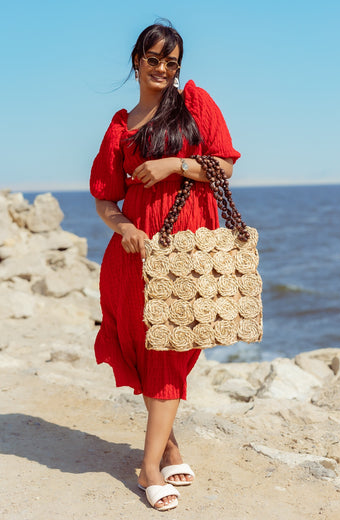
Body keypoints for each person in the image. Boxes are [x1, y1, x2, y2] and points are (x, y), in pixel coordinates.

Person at [90, 21, 240, 511]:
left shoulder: (195, 104)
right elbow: (106, 200)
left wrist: (172, 164)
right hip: (134, 257)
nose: (161, 69)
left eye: (170, 62)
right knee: (148, 348)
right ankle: (159, 457)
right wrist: (124, 228)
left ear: (179, 68)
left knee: (173, 349)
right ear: (137, 61)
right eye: (153, 59)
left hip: (187, 249)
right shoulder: (121, 126)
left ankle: (155, 455)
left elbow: (225, 164)